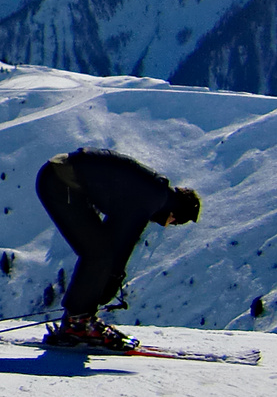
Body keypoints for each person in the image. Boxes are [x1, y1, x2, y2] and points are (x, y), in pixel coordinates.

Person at [34, 148, 202, 350]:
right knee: (98, 254)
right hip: (61, 182)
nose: (165, 225)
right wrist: (110, 284)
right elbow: (122, 244)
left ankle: (79, 320)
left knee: (99, 251)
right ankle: (78, 324)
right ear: (174, 213)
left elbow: (113, 237)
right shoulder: (152, 199)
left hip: (60, 176)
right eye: (173, 222)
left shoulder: (154, 191)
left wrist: (102, 285)